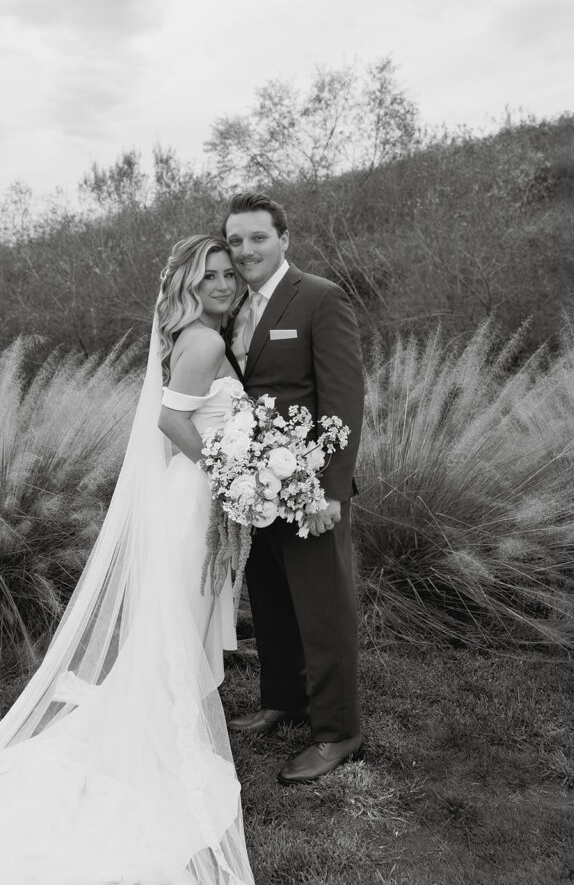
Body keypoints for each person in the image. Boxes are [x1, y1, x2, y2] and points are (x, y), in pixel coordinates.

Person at [0, 235, 255, 885]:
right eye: (212, 274)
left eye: (230, 273)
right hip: (200, 495)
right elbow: (171, 426)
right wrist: (228, 473)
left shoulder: (195, 334)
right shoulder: (201, 341)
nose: (224, 283)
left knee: (176, 622)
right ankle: (164, 741)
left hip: (196, 497)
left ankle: (164, 726)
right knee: (176, 625)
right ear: (191, 283)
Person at [223, 192, 365, 785]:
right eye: (235, 241)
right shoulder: (231, 307)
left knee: (322, 609)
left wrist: (331, 491)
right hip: (257, 489)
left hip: (310, 490)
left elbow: (343, 398)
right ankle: (283, 698)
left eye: (257, 238)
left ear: (283, 238)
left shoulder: (320, 298)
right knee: (274, 604)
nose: (246, 250)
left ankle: (337, 732)